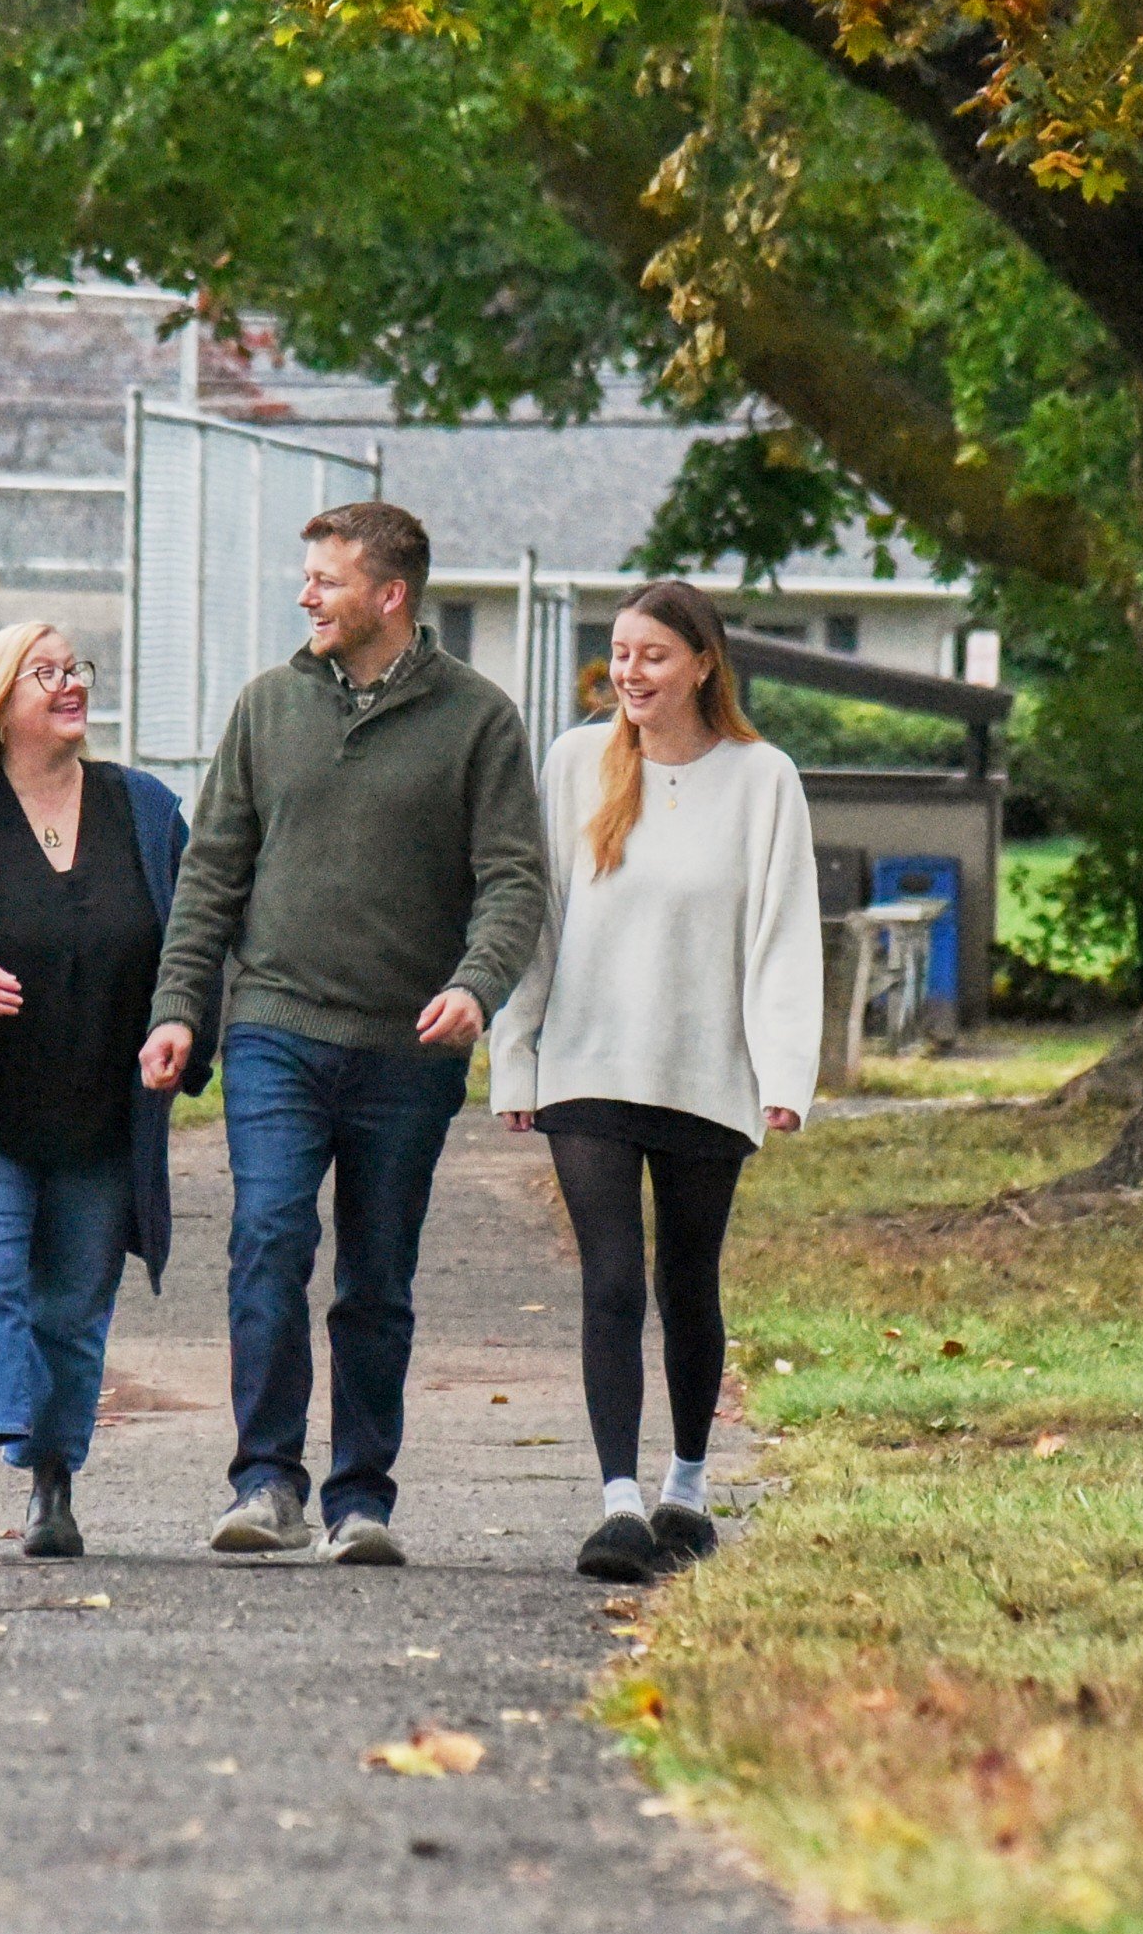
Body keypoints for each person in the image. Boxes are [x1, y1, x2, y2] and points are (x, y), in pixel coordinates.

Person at [141, 502, 545, 1566]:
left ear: (389, 595)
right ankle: (266, 1479)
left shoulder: (477, 721)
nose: (307, 594)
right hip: (274, 1023)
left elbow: (512, 879)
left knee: (376, 1278)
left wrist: (476, 986)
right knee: (269, 1236)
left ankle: (360, 1497)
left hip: (408, 1046)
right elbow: (211, 873)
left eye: (326, 578)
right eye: (307, 576)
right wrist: (181, 1006)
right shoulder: (267, 707)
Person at [491, 578, 822, 1586]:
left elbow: (781, 935)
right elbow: (535, 915)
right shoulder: (574, 763)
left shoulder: (761, 779)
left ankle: (685, 1484)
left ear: (702, 663)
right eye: (620, 654)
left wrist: (783, 1070)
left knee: (688, 1278)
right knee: (611, 1278)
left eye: (653, 656)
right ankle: (617, 1502)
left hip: (705, 1067)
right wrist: (517, 1049)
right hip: (588, 1057)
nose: (630, 673)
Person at [0, 623, 215, 1559]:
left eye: (74, 668)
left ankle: (51, 1486)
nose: (69, 685)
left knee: (74, 1308)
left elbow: (195, 939)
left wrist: (182, 1023)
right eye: (44, 673)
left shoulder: (147, 810)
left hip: (102, 1113)